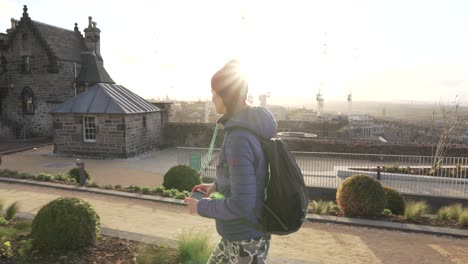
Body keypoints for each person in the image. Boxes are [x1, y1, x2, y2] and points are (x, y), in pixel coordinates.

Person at [184, 59, 277, 263]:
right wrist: (216, 186)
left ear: (227, 96)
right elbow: (245, 178)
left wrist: (201, 207)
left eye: (214, 93)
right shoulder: (243, 128)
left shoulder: (239, 138)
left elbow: (241, 204)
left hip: (246, 239)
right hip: (235, 234)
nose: (212, 98)